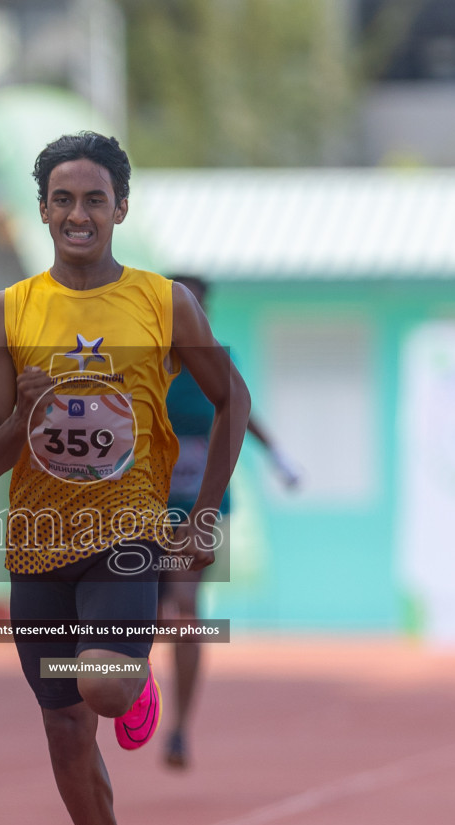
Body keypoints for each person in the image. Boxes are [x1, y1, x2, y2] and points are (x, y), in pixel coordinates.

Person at [0, 132, 250, 825]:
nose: (78, 214)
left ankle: (133, 693)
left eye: (95, 199)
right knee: (64, 737)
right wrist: (23, 416)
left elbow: (231, 399)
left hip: (129, 529)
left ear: (121, 208)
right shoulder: (8, 311)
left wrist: (200, 518)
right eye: (63, 199)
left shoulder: (164, 303)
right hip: (38, 543)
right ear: (43, 209)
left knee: (103, 685)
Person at [158, 274, 301, 770]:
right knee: (140, 612)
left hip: (197, 504)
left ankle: (177, 728)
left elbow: (240, 408)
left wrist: (277, 456)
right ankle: (131, 686)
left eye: (192, 306)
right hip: (137, 502)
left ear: (205, 312)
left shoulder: (218, 359)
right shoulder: (138, 355)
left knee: (184, 607)